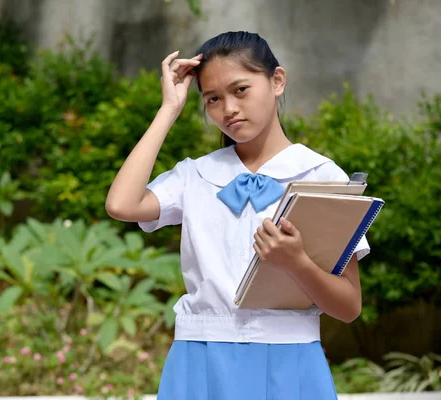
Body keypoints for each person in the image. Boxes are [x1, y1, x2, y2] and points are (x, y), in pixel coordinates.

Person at [105, 31, 370, 399]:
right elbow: (122, 205)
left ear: (277, 81)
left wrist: (297, 264)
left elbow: (349, 307)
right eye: (212, 99)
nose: (228, 108)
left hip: (289, 364)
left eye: (240, 90)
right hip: (199, 360)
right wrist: (169, 109)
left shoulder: (321, 176)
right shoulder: (194, 175)